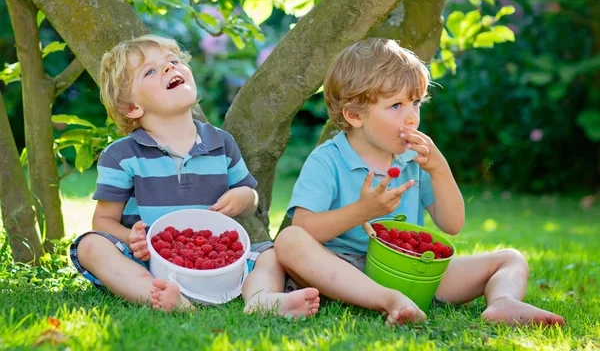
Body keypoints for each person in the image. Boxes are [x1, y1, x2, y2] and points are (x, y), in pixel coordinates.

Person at [274, 38, 565, 327]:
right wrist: (363, 211)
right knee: (289, 240)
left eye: (415, 103)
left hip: (413, 270)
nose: (412, 117)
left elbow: (452, 224)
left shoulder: (415, 159)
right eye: (396, 105)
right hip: (345, 270)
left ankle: (502, 303)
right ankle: (386, 299)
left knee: (510, 259)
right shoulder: (327, 160)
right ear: (353, 115)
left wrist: (439, 169)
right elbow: (304, 228)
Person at [69, 35, 319, 317]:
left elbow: (250, 198)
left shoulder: (221, 143)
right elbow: (103, 221)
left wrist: (244, 197)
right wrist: (131, 239)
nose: (168, 68)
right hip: (150, 261)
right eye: (150, 71)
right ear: (132, 108)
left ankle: (262, 299)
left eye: (173, 62)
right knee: (91, 245)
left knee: (271, 254)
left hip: (218, 264)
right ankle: (157, 293)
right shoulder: (122, 155)